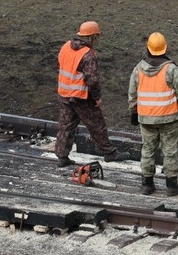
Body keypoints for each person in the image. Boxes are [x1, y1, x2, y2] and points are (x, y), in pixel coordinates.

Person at [56, 21, 131, 168]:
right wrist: (96, 97)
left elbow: (61, 64)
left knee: (66, 125)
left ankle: (62, 156)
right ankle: (109, 153)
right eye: (96, 37)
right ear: (91, 37)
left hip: (65, 94)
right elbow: (93, 80)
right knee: (97, 125)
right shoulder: (88, 55)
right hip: (81, 96)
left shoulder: (65, 46)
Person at [128, 32, 178, 196]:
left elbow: (132, 94)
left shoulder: (138, 69)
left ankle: (147, 184)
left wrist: (133, 112)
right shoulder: (171, 69)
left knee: (148, 150)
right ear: (165, 48)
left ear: (148, 48)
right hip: (168, 118)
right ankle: (171, 186)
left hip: (146, 118)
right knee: (170, 151)